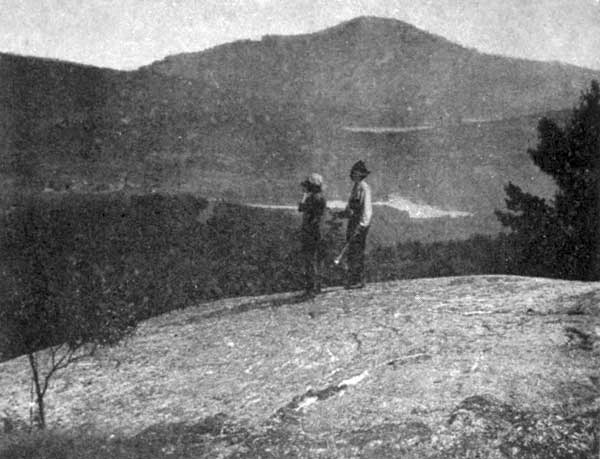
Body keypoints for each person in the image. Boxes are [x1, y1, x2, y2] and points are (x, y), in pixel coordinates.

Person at [339, 160, 372, 289]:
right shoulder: (357, 187)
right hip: (355, 222)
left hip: (360, 223)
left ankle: (358, 279)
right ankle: (355, 279)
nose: (351, 175)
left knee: (356, 250)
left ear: (359, 174)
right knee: (353, 250)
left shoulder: (363, 187)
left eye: (354, 173)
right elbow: (352, 208)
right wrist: (342, 214)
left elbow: (362, 207)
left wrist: (361, 224)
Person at [298, 173, 327, 296]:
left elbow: (302, 209)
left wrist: (304, 198)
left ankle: (312, 288)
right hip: (318, 231)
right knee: (317, 259)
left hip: (311, 231)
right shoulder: (320, 197)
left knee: (310, 259)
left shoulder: (313, 198)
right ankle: (317, 286)